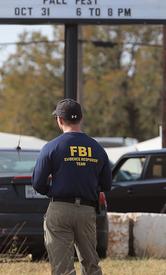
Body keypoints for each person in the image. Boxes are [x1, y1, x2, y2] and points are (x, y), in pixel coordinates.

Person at [32, 99, 112, 275]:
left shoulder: (52, 147)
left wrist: (51, 191)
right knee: (91, 264)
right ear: (81, 118)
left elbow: (38, 183)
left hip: (60, 208)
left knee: (62, 268)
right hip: (87, 210)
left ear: (59, 120)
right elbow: (107, 184)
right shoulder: (97, 148)